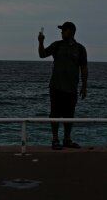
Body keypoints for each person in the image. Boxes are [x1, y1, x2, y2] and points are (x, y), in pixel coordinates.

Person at [38, 21, 88, 150]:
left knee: (69, 115)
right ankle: (55, 139)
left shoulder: (80, 49)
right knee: (54, 114)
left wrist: (84, 86)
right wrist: (41, 42)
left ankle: (67, 139)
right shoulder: (57, 45)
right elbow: (42, 54)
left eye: (63, 30)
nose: (61, 32)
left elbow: (84, 68)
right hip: (56, 87)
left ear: (70, 32)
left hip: (71, 88)